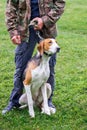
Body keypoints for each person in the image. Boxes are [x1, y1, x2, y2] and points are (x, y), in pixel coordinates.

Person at [2, 0, 65, 114]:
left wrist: (44, 20)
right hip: (24, 31)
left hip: (48, 30)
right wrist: (13, 31)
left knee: (49, 70)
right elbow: (11, 8)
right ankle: (15, 101)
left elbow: (60, 3)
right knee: (20, 68)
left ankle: (47, 102)